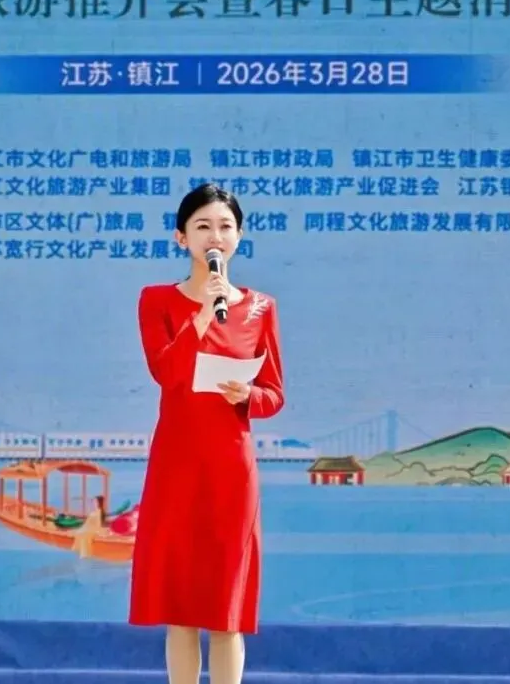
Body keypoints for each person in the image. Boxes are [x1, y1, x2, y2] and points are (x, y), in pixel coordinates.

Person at [129, 183, 285, 684]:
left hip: (231, 467)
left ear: (239, 235)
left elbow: (275, 393)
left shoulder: (260, 307)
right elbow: (165, 372)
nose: (215, 236)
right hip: (177, 463)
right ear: (181, 238)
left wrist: (249, 395)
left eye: (225, 226)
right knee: (180, 606)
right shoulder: (156, 300)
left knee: (225, 608)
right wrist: (200, 318)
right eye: (202, 227)